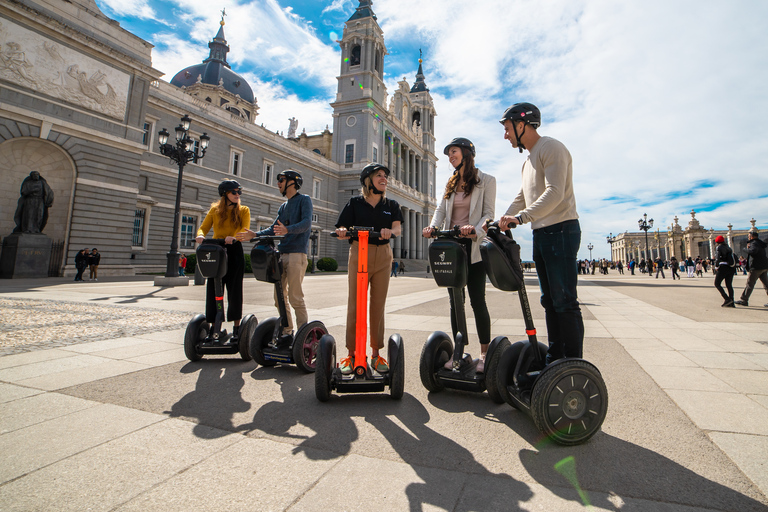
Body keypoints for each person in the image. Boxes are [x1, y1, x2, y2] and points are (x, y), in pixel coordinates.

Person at [498, 102, 584, 364]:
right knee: (549, 301)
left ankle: (573, 363)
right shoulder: (527, 162)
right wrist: (499, 220)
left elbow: (555, 192)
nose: (506, 135)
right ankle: (556, 357)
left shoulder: (551, 148)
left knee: (565, 301)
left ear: (522, 124)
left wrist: (521, 218)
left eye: (508, 128)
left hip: (561, 230)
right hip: (541, 233)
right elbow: (523, 196)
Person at [424, 137, 496, 372]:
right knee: (456, 303)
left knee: (477, 301)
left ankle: (484, 355)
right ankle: (460, 351)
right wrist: (433, 227)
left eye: (453, 152)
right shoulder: (451, 182)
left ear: (466, 153)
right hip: (452, 249)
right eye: (448, 154)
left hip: (473, 248)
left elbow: (488, 214)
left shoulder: (486, 181)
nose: (450, 157)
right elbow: (440, 210)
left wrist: (474, 230)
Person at [335, 164, 403, 374]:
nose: (384, 179)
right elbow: (342, 226)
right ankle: (353, 353)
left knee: (378, 305)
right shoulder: (355, 203)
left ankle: (375, 353)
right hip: (359, 252)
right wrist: (342, 231)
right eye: (379, 176)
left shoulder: (391, 204)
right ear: (368, 180)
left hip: (383, 256)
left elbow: (398, 229)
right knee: (355, 303)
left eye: (385, 176)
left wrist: (389, 231)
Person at [237, 170, 312, 338]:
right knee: (279, 298)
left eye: (281, 179)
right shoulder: (283, 206)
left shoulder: (304, 200)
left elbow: (306, 223)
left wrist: (288, 230)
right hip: (281, 255)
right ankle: (287, 331)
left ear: (293, 182)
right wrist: (255, 235)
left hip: (296, 255)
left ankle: (304, 335)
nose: (278, 183)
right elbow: (273, 229)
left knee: (295, 298)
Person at [196, 180, 251, 340]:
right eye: (234, 192)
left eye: (239, 192)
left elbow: (245, 229)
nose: (237, 195)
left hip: (234, 250)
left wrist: (233, 237)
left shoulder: (244, 210)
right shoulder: (215, 210)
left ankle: (236, 327)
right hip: (217, 251)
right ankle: (214, 326)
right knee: (213, 289)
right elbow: (204, 227)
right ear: (224, 194)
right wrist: (200, 235)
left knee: (234, 290)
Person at [735, 229, 768, 307]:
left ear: (752, 236)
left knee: (750, 284)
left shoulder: (753, 243)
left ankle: (744, 300)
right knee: (766, 284)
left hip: (756, 267)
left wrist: (745, 249)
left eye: (749, 236)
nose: (748, 237)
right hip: (764, 266)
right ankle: (744, 299)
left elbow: (753, 251)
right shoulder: (760, 243)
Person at [713, 235, 736, 307]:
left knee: (717, 283)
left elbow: (717, 258)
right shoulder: (728, 248)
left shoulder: (718, 247)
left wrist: (716, 266)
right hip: (731, 267)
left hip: (723, 267)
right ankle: (732, 301)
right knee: (729, 285)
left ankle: (727, 299)